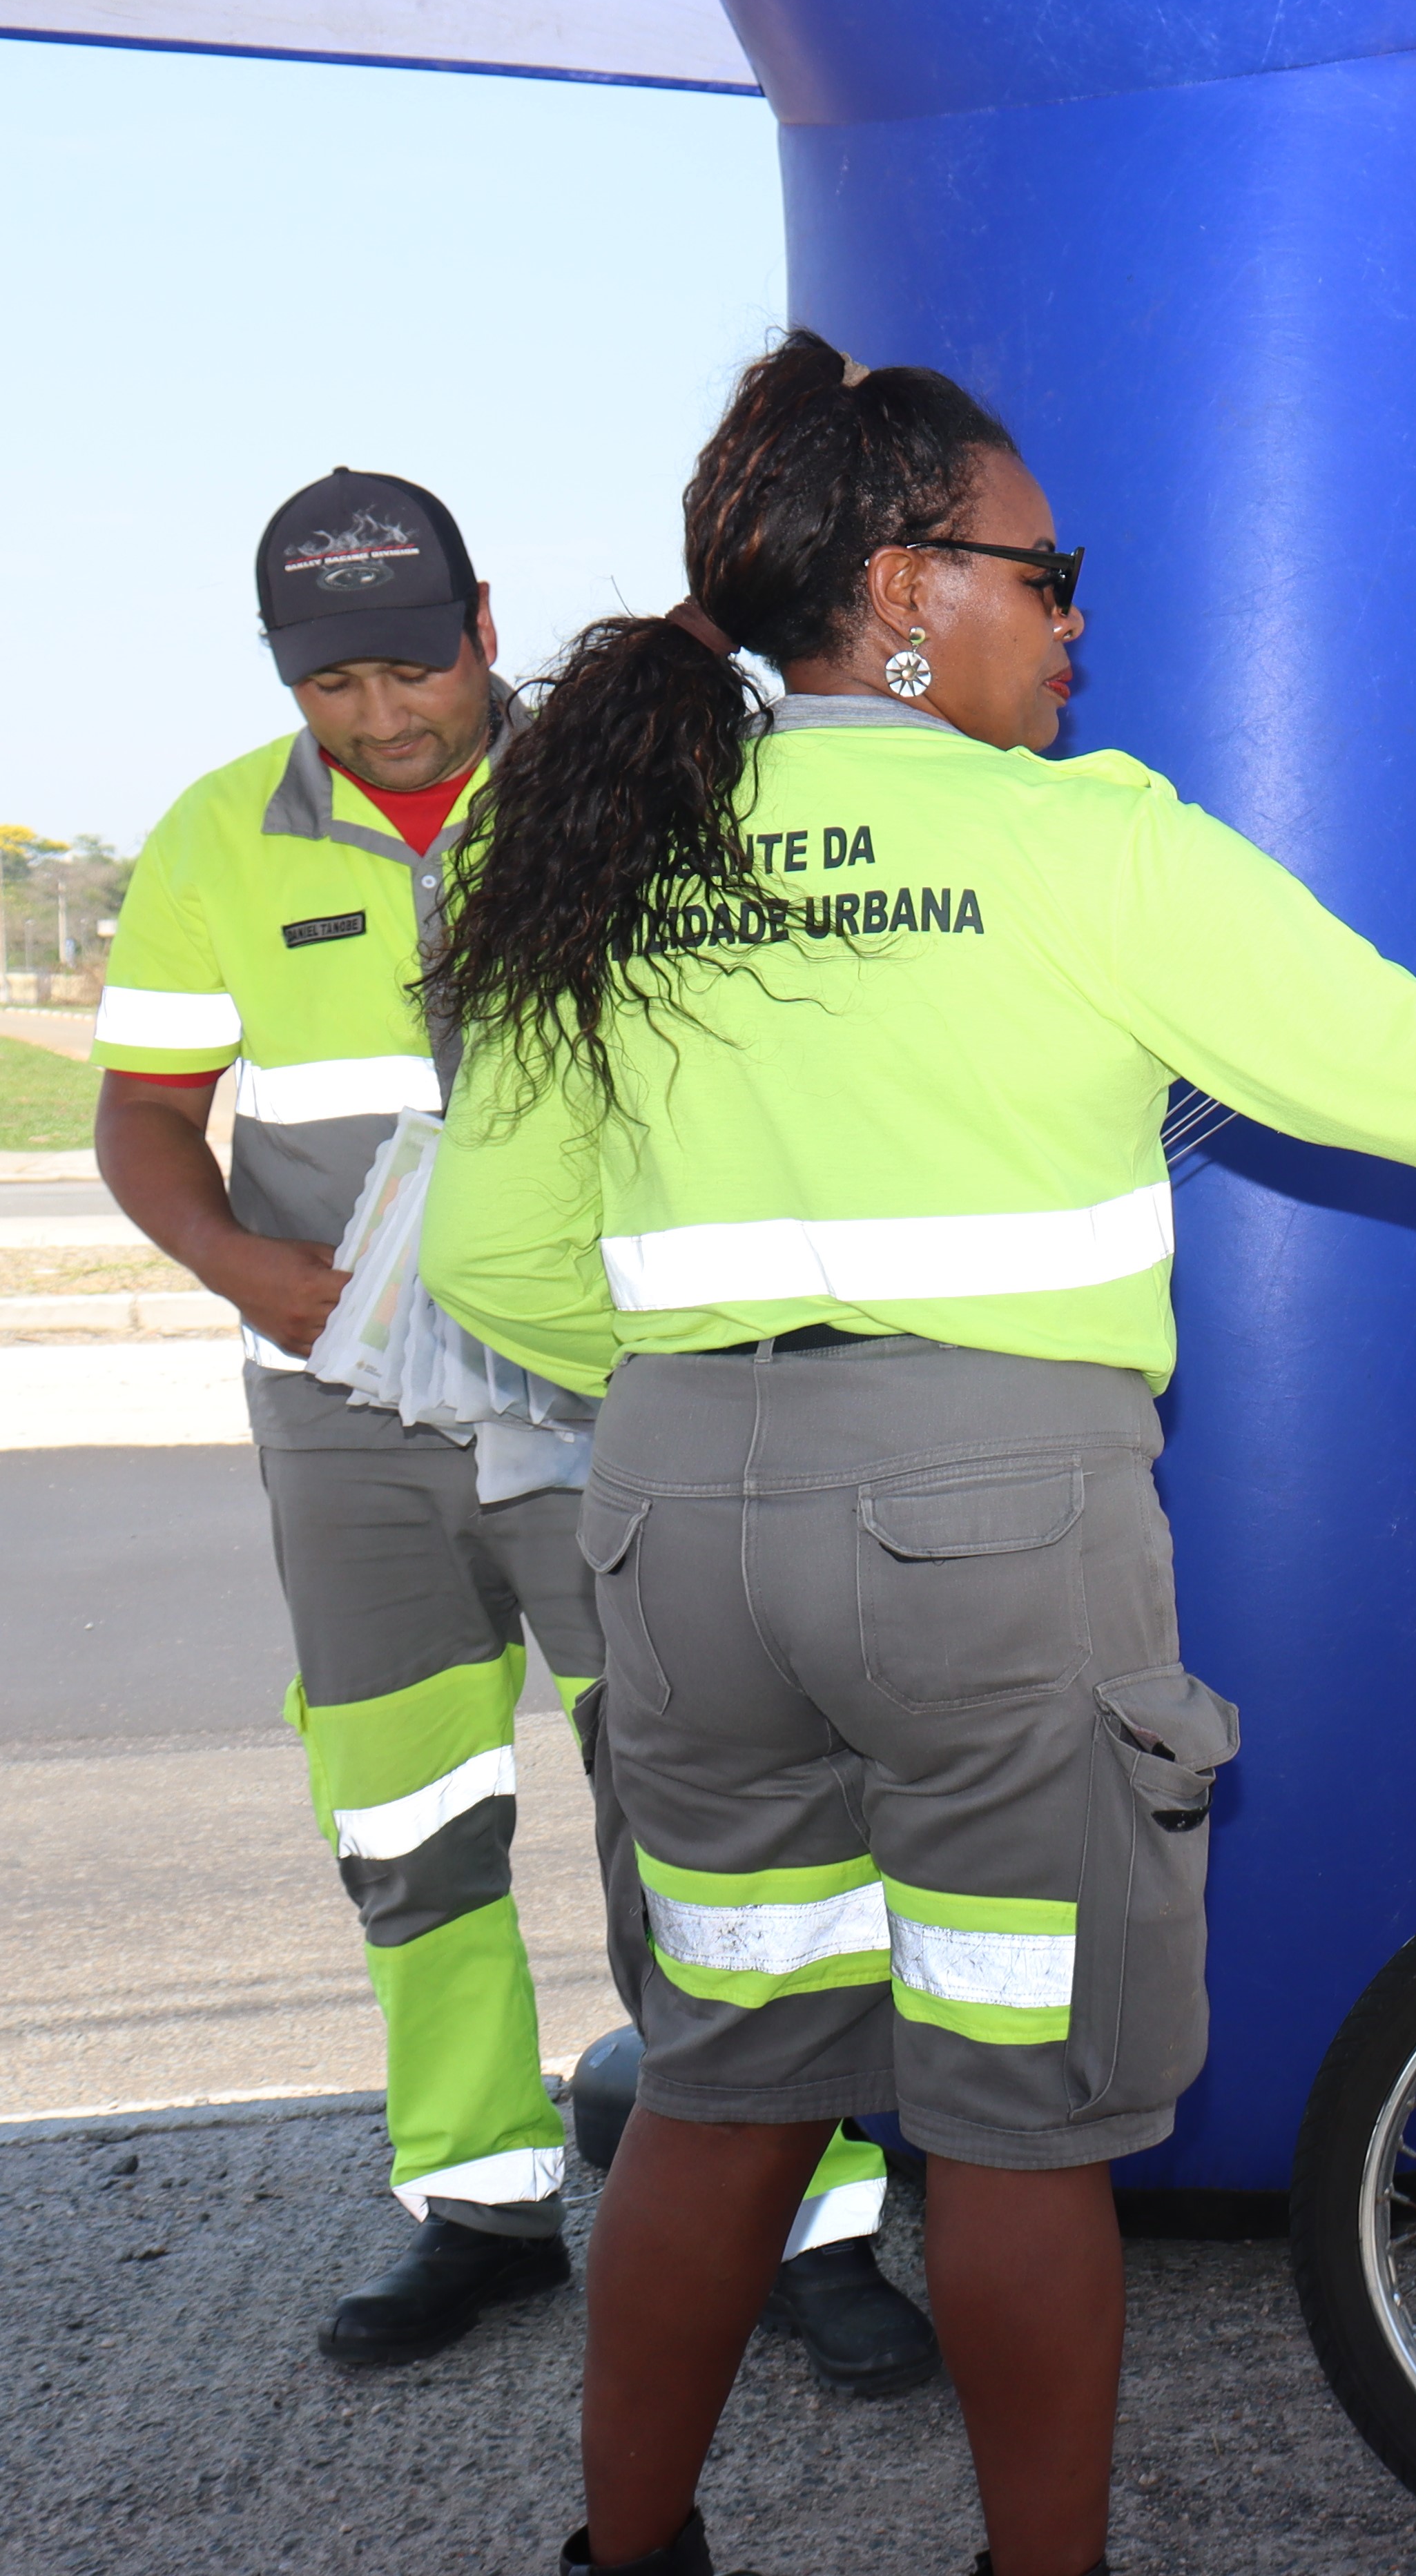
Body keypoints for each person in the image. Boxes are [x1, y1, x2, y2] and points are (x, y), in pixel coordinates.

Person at [420, 331, 1416, 2576]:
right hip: (995, 1528)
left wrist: (738, 1379)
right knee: (1016, 2115)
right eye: (1044, 564)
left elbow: (498, 1253)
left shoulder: (607, 832)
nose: (1077, 613)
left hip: (676, 1513)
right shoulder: (1079, 844)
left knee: (723, 2080)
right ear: (904, 584)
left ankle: (629, 2569)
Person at [90, 470, 926, 2385]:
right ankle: (473, 2202)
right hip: (345, 1419)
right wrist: (241, 1268)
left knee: (718, 1814)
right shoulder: (216, 837)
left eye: (412, 666)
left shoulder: (629, 788)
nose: (381, 715)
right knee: (406, 1817)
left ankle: (815, 2219)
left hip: (607, 1391)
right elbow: (145, 1114)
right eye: (334, 686)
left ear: (486, 623)